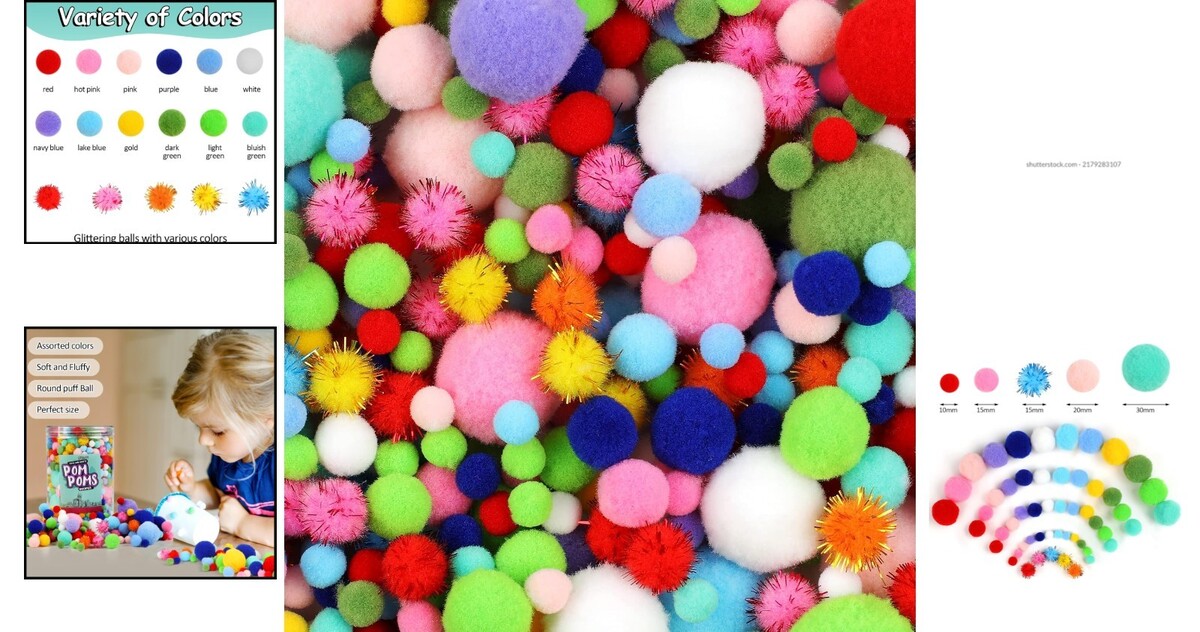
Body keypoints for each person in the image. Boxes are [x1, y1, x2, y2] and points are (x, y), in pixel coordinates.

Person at [164, 329, 275, 546]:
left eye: (217, 431)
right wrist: (192, 489)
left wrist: (242, 523)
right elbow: (220, 495)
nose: (203, 440)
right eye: (199, 428)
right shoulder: (228, 455)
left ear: (266, 419)